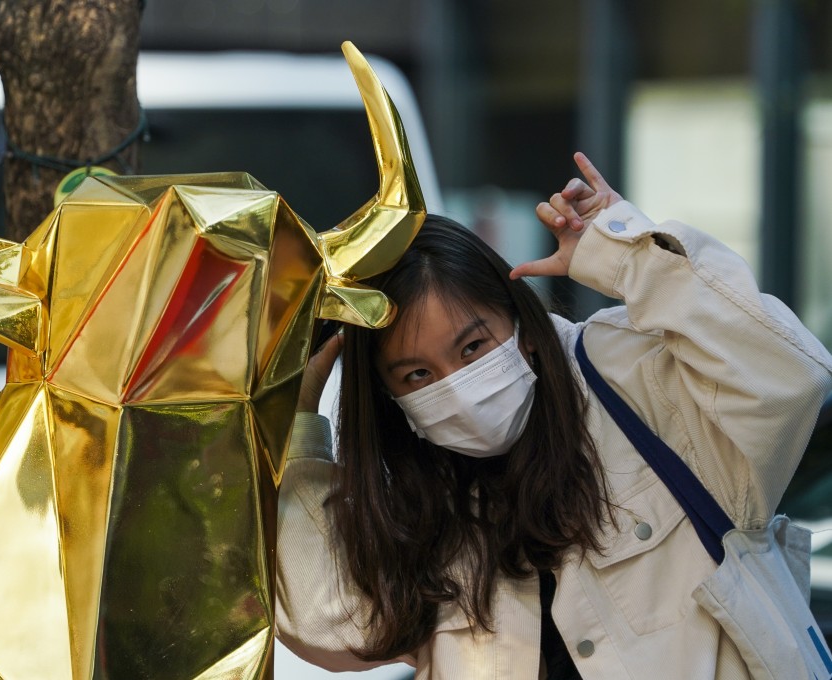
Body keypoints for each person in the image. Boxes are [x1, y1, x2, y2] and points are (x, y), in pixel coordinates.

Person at [276, 152, 832, 679]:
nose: (457, 386)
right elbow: (330, 622)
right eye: (417, 375)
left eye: (472, 348)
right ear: (389, 397)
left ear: (521, 327)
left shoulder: (633, 384)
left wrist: (628, 257)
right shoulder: (420, 502)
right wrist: (298, 421)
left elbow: (789, 380)